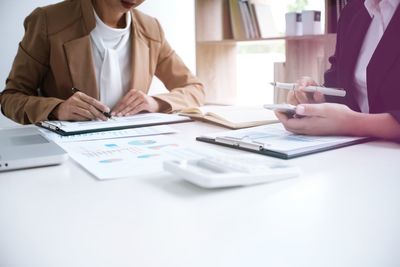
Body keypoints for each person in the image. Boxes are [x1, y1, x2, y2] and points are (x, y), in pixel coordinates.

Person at [0, 0, 204, 124]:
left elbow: (194, 89)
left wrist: (155, 103)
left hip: (131, 148)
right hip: (65, 156)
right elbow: (10, 98)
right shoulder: (48, 21)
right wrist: (57, 109)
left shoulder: (151, 28)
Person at [275, 0, 400, 140]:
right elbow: (340, 84)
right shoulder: (353, 10)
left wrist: (351, 123)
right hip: (358, 150)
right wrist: (318, 98)